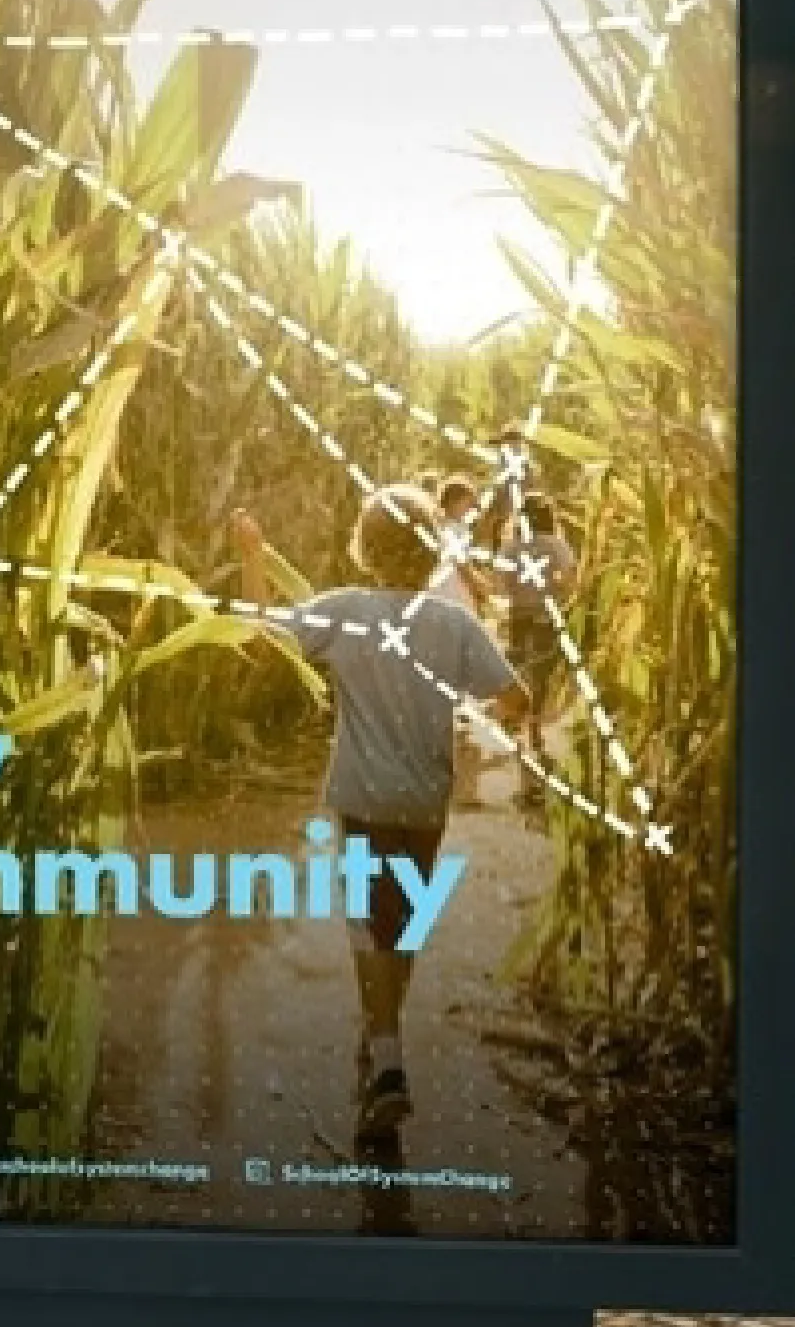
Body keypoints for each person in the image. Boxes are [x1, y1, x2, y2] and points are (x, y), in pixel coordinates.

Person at [233, 486, 530, 1144]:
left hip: (363, 794)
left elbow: (262, 638)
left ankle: (387, 1062)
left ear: (365, 547)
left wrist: (253, 554)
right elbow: (519, 699)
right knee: (403, 925)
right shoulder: (454, 624)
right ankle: (381, 1035)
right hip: (426, 800)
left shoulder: (345, 611)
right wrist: (468, 712)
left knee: (371, 924)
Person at [497, 492, 577, 760]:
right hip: (547, 615)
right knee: (541, 673)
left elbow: (502, 581)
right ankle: (534, 729)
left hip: (519, 613)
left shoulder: (511, 546)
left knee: (518, 668)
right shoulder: (556, 546)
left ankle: (514, 721)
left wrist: (519, 592)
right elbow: (568, 579)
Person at [425, 474, 491, 615]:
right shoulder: (454, 529)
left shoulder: (439, 526)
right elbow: (461, 564)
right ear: (454, 502)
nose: (471, 510)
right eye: (468, 504)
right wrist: (481, 585)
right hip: (452, 594)